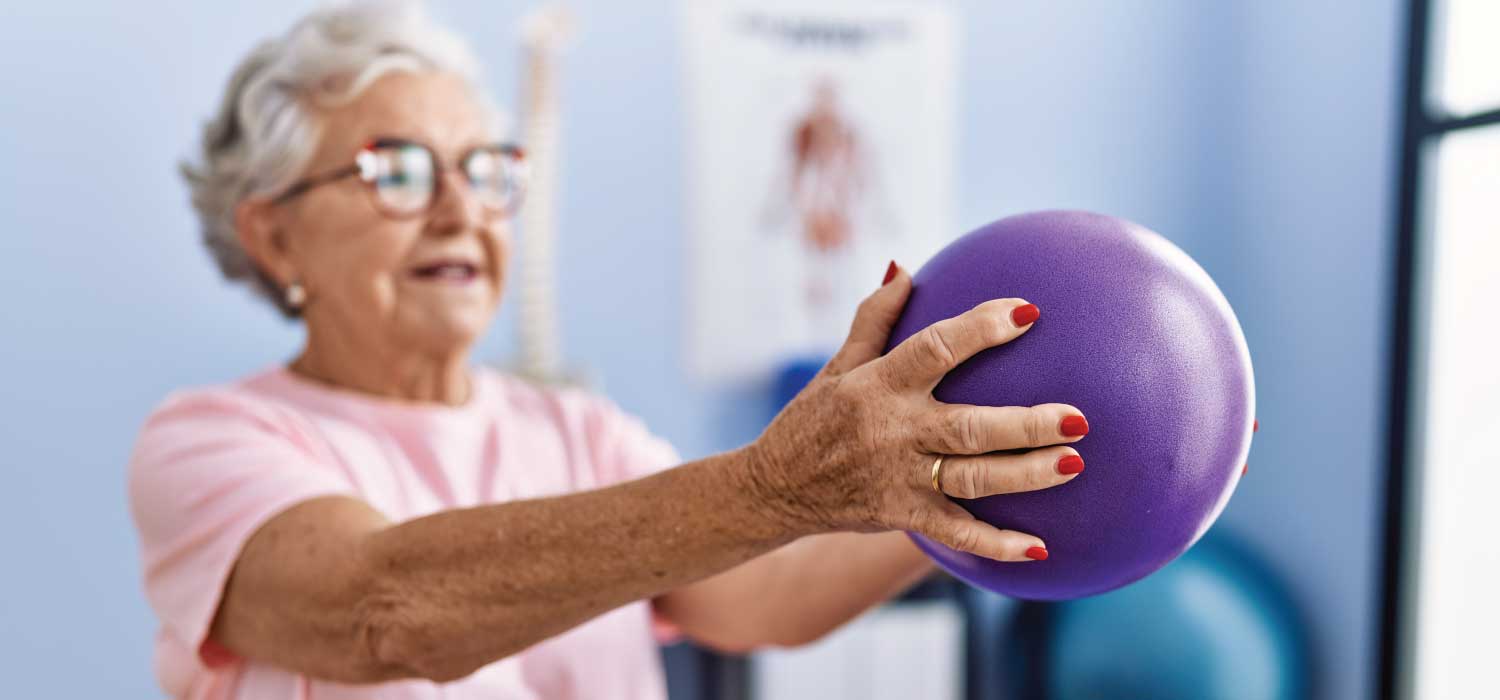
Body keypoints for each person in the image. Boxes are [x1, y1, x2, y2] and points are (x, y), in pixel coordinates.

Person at [128, 3, 1090, 698]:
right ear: (272, 235)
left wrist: (966, 471)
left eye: (486, 168)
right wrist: (771, 487)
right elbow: (387, 610)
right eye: (402, 172)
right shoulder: (207, 444)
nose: (463, 210)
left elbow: (763, 595)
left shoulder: (576, 431)